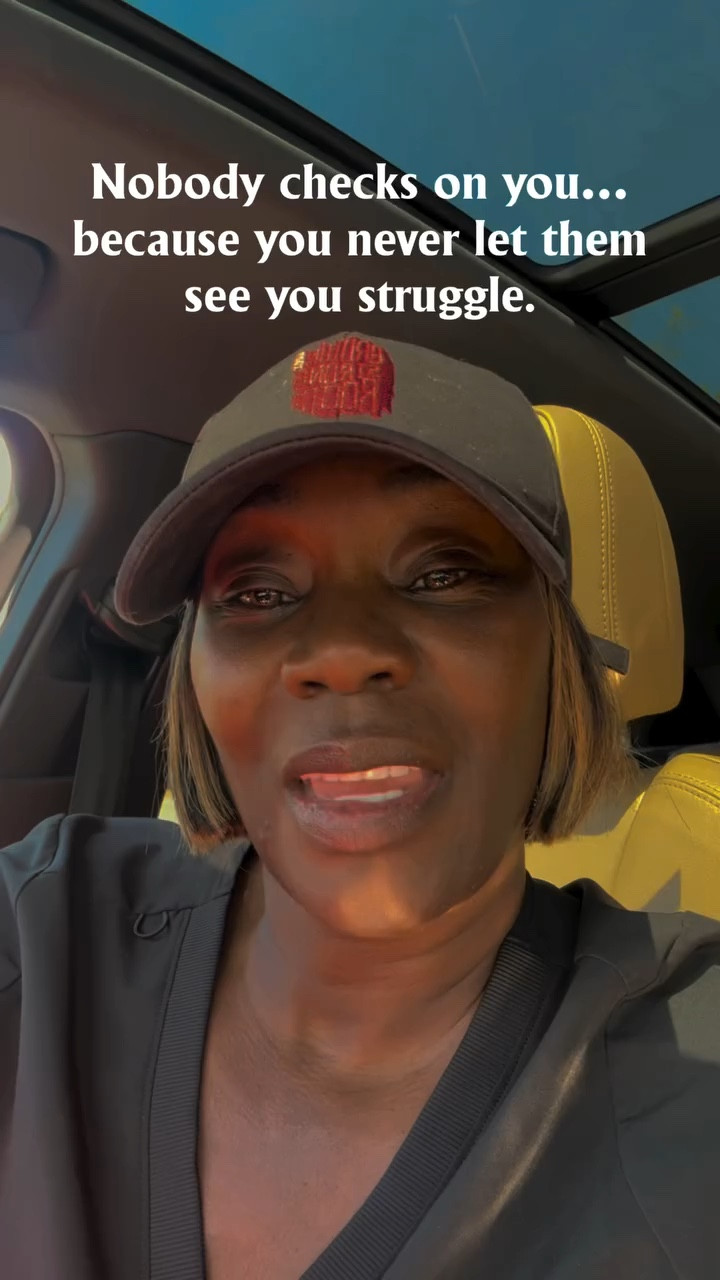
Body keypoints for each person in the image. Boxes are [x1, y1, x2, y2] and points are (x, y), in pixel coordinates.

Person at [0, 332, 718, 1280]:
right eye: (257, 591)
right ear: (195, 681)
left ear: (560, 658)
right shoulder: (45, 923)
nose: (341, 652)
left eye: (444, 574)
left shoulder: (694, 1066)